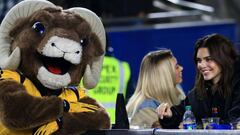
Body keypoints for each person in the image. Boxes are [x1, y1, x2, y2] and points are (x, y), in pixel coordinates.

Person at [157, 33, 240, 129]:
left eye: (208, 59)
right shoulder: (200, 90)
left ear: (223, 58)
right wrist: (169, 115)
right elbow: (183, 111)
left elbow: (235, 121)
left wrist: (199, 126)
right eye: (199, 60)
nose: (202, 65)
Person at [126, 49, 185, 129]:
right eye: (176, 67)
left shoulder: (179, 97)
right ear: (164, 75)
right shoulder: (146, 110)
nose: (181, 68)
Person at [87, 43, 133, 125]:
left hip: (91, 123)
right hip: (118, 124)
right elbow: (130, 98)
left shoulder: (84, 67)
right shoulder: (122, 67)